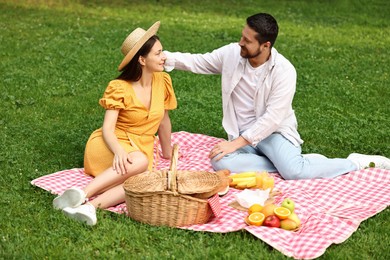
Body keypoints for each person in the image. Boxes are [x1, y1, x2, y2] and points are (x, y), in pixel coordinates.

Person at [163, 13, 390, 180]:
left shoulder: (284, 71)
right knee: (219, 160)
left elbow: (272, 118)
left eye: (247, 40)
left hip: (273, 133)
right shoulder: (232, 54)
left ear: (265, 45)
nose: (241, 43)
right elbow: (198, 62)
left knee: (293, 173)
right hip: (242, 132)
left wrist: (236, 145)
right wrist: (163, 57)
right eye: (242, 36)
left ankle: (355, 162)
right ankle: (286, 162)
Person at [53, 21, 177, 225]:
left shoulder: (162, 81)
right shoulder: (119, 87)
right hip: (109, 143)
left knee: (142, 181)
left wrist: (166, 152)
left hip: (139, 150)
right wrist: (120, 151)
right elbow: (107, 129)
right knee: (140, 163)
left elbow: (164, 121)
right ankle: (82, 194)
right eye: (158, 53)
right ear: (142, 60)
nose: (164, 57)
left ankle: (90, 208)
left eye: (162, 51)